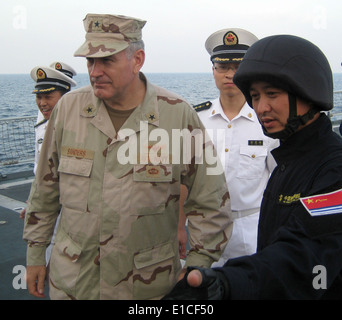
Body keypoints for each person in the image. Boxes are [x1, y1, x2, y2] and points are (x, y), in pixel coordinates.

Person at [23, 13, 232, 300]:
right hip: (75, 282)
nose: (95, 71)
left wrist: (198, 263)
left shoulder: (176, 114)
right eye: (90, 61)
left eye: (107, 60)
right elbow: (44, 188)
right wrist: (35, 252)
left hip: (146, 287)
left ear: (137, 60)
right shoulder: (68, 110)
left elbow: (211, 199)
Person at [163, 34, 342, 300]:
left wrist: (228, 283)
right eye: (255, 96)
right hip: (214, 235)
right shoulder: (290, 159)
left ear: (307, 91)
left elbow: (305, 254)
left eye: (272, 94)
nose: (261, 107)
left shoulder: (333, 167)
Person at [190, 28, 278, 265]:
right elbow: (182, 177)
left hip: (252, 231)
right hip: (202, 229)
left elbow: (279, 179)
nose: (230, 74)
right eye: (222, 67)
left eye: (238, 67)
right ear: (213, 71)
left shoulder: (267, 121)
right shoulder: (196, 119)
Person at [19, 63, 76, 220]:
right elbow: (40, 168)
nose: (42, 103)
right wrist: (34, 202)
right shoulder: (43, 123)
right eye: (39, 97)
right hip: (48, 204)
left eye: (48, 97)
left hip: (72, 207)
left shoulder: (79, 127)